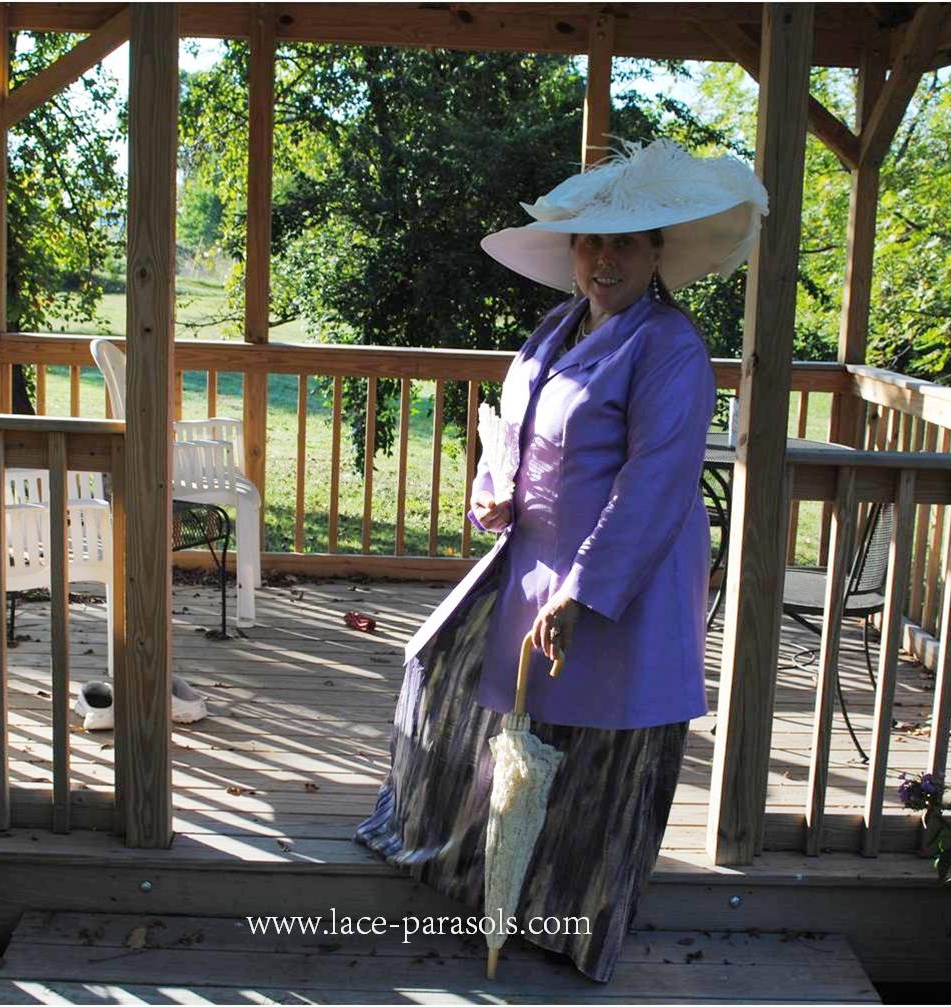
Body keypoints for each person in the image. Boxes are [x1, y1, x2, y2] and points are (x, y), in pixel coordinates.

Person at [355, 138, 768, 982]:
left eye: (624, 242)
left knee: (596, 758)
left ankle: (568, 925)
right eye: (590, 242)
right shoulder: (557, 325)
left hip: (624, 579)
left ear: (660, 252)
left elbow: (657, 482)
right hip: (533, 562)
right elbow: (509, 427)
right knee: (456, 683)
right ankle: (486, 876)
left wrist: (584, 591)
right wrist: (491, 485)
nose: (604, 257)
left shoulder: (671, 349)